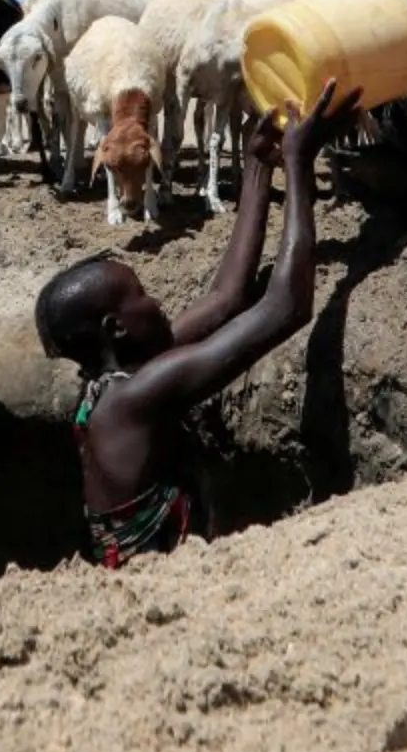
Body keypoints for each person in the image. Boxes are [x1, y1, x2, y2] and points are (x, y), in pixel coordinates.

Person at [34, 81, 364, 567]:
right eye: (141, 296)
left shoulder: (117, 374)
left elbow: (225, 297)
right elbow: (287, 307)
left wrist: (257, 167)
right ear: (117, 327)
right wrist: (298, 165)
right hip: (151, 597)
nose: (157, 302)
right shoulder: (135, 399)